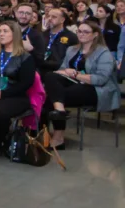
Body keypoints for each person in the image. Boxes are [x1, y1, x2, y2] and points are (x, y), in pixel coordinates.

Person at [44, 21, 120, 149]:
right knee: (50, 76)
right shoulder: (72, 49)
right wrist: (66, 72)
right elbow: (62, 70)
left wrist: (75, 75)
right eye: (79, 31)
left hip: (97, 89)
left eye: (86, 32)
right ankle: (58, 113)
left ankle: (58, 137)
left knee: (51, 98)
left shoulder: (103, 53)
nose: (81, 34)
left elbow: (100, 79)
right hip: (73, 84)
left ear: (95, 34)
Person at [0, 21, 35, 154]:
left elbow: (26, 83)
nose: (1, 34)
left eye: (5, 31)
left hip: (15, 95)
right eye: (0, 32)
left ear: (15, 34)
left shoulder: (25, 57)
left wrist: (2, 94)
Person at [40, 8, 78, 76]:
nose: (50, 19)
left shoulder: (72, 37)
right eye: (48, 16)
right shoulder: (42, 35)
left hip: (61, 72)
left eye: (54, 17)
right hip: (42, 68)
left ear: (62, 20)